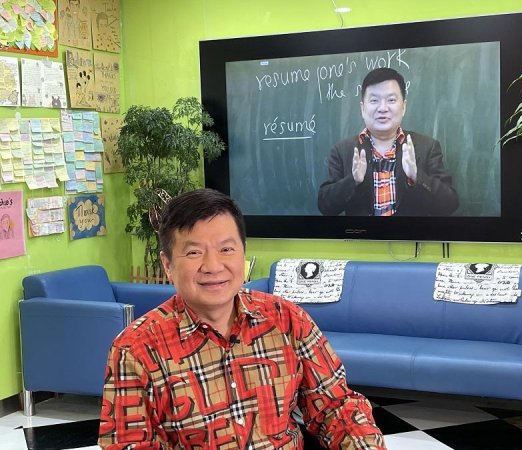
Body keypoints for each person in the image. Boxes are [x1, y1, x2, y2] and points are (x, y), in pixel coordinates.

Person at [98, 188, 385, 449]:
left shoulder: (287, 320)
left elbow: (336, 407)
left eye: (226, 249)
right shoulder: (135, 349)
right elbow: (129, 444)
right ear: (167, 264)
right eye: (194, 252)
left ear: (243, 253)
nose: (213, 266)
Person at [318, 67, 459, 217]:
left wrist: (417, 176)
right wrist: (353, 181)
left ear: (403, 107)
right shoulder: (342, 151)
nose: (383, 108)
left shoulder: (427, 147)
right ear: (362, 108)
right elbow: (325, 207)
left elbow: (449, 205)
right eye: (374, 100)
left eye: (391, 100)